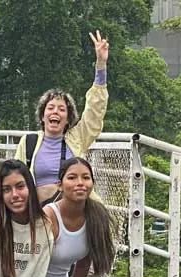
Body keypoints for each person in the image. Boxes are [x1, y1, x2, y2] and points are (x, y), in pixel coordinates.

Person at [25, 157, 115, 277]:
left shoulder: (95, 216)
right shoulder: (49, 216)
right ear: (60, 184)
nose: (80, 183)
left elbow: (82, 266)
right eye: (72, 177)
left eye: (86, 178)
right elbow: (34, 270)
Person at [14, 31, 110, 203]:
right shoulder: (28, 142)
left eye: (61, 109)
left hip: (76, 209)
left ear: (67, 119)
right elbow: (16, 179)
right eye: (50, 108)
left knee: (101, 215)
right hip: (40, 212)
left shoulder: (77, 137)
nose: (55, 112)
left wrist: (101, 65)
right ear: (42, 117)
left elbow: (94, 112)